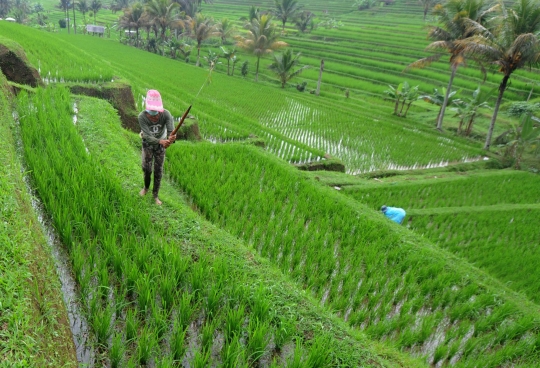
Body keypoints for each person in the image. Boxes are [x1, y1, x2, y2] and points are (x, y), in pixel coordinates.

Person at [138, 89, 176, 205]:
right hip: (148, 144)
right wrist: (161, 142)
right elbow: (148, 136)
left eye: (155, 112)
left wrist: (172, 138)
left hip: (160, 146)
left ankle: (155, 195)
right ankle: (145, 188)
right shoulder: (142, 117)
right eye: (150, 112)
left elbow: (171, 131)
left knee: (158, 171)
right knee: (147, 169)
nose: (152, 116)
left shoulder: (166, 114)